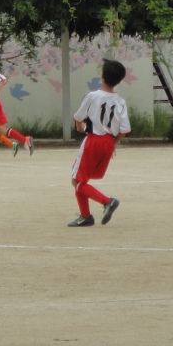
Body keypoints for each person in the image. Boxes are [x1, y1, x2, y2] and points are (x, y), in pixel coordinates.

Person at [67, 59, 130, 226]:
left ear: (102, 77)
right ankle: (85, 216)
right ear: (119, 80)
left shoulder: (92, 96)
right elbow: (124, 129)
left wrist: (80, 127)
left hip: (94, 140)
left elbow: (78, 117)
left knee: (76, 180)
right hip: (109, 141)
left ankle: (107, 202)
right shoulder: (120, 101)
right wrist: (113, 143)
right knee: (83, 179)